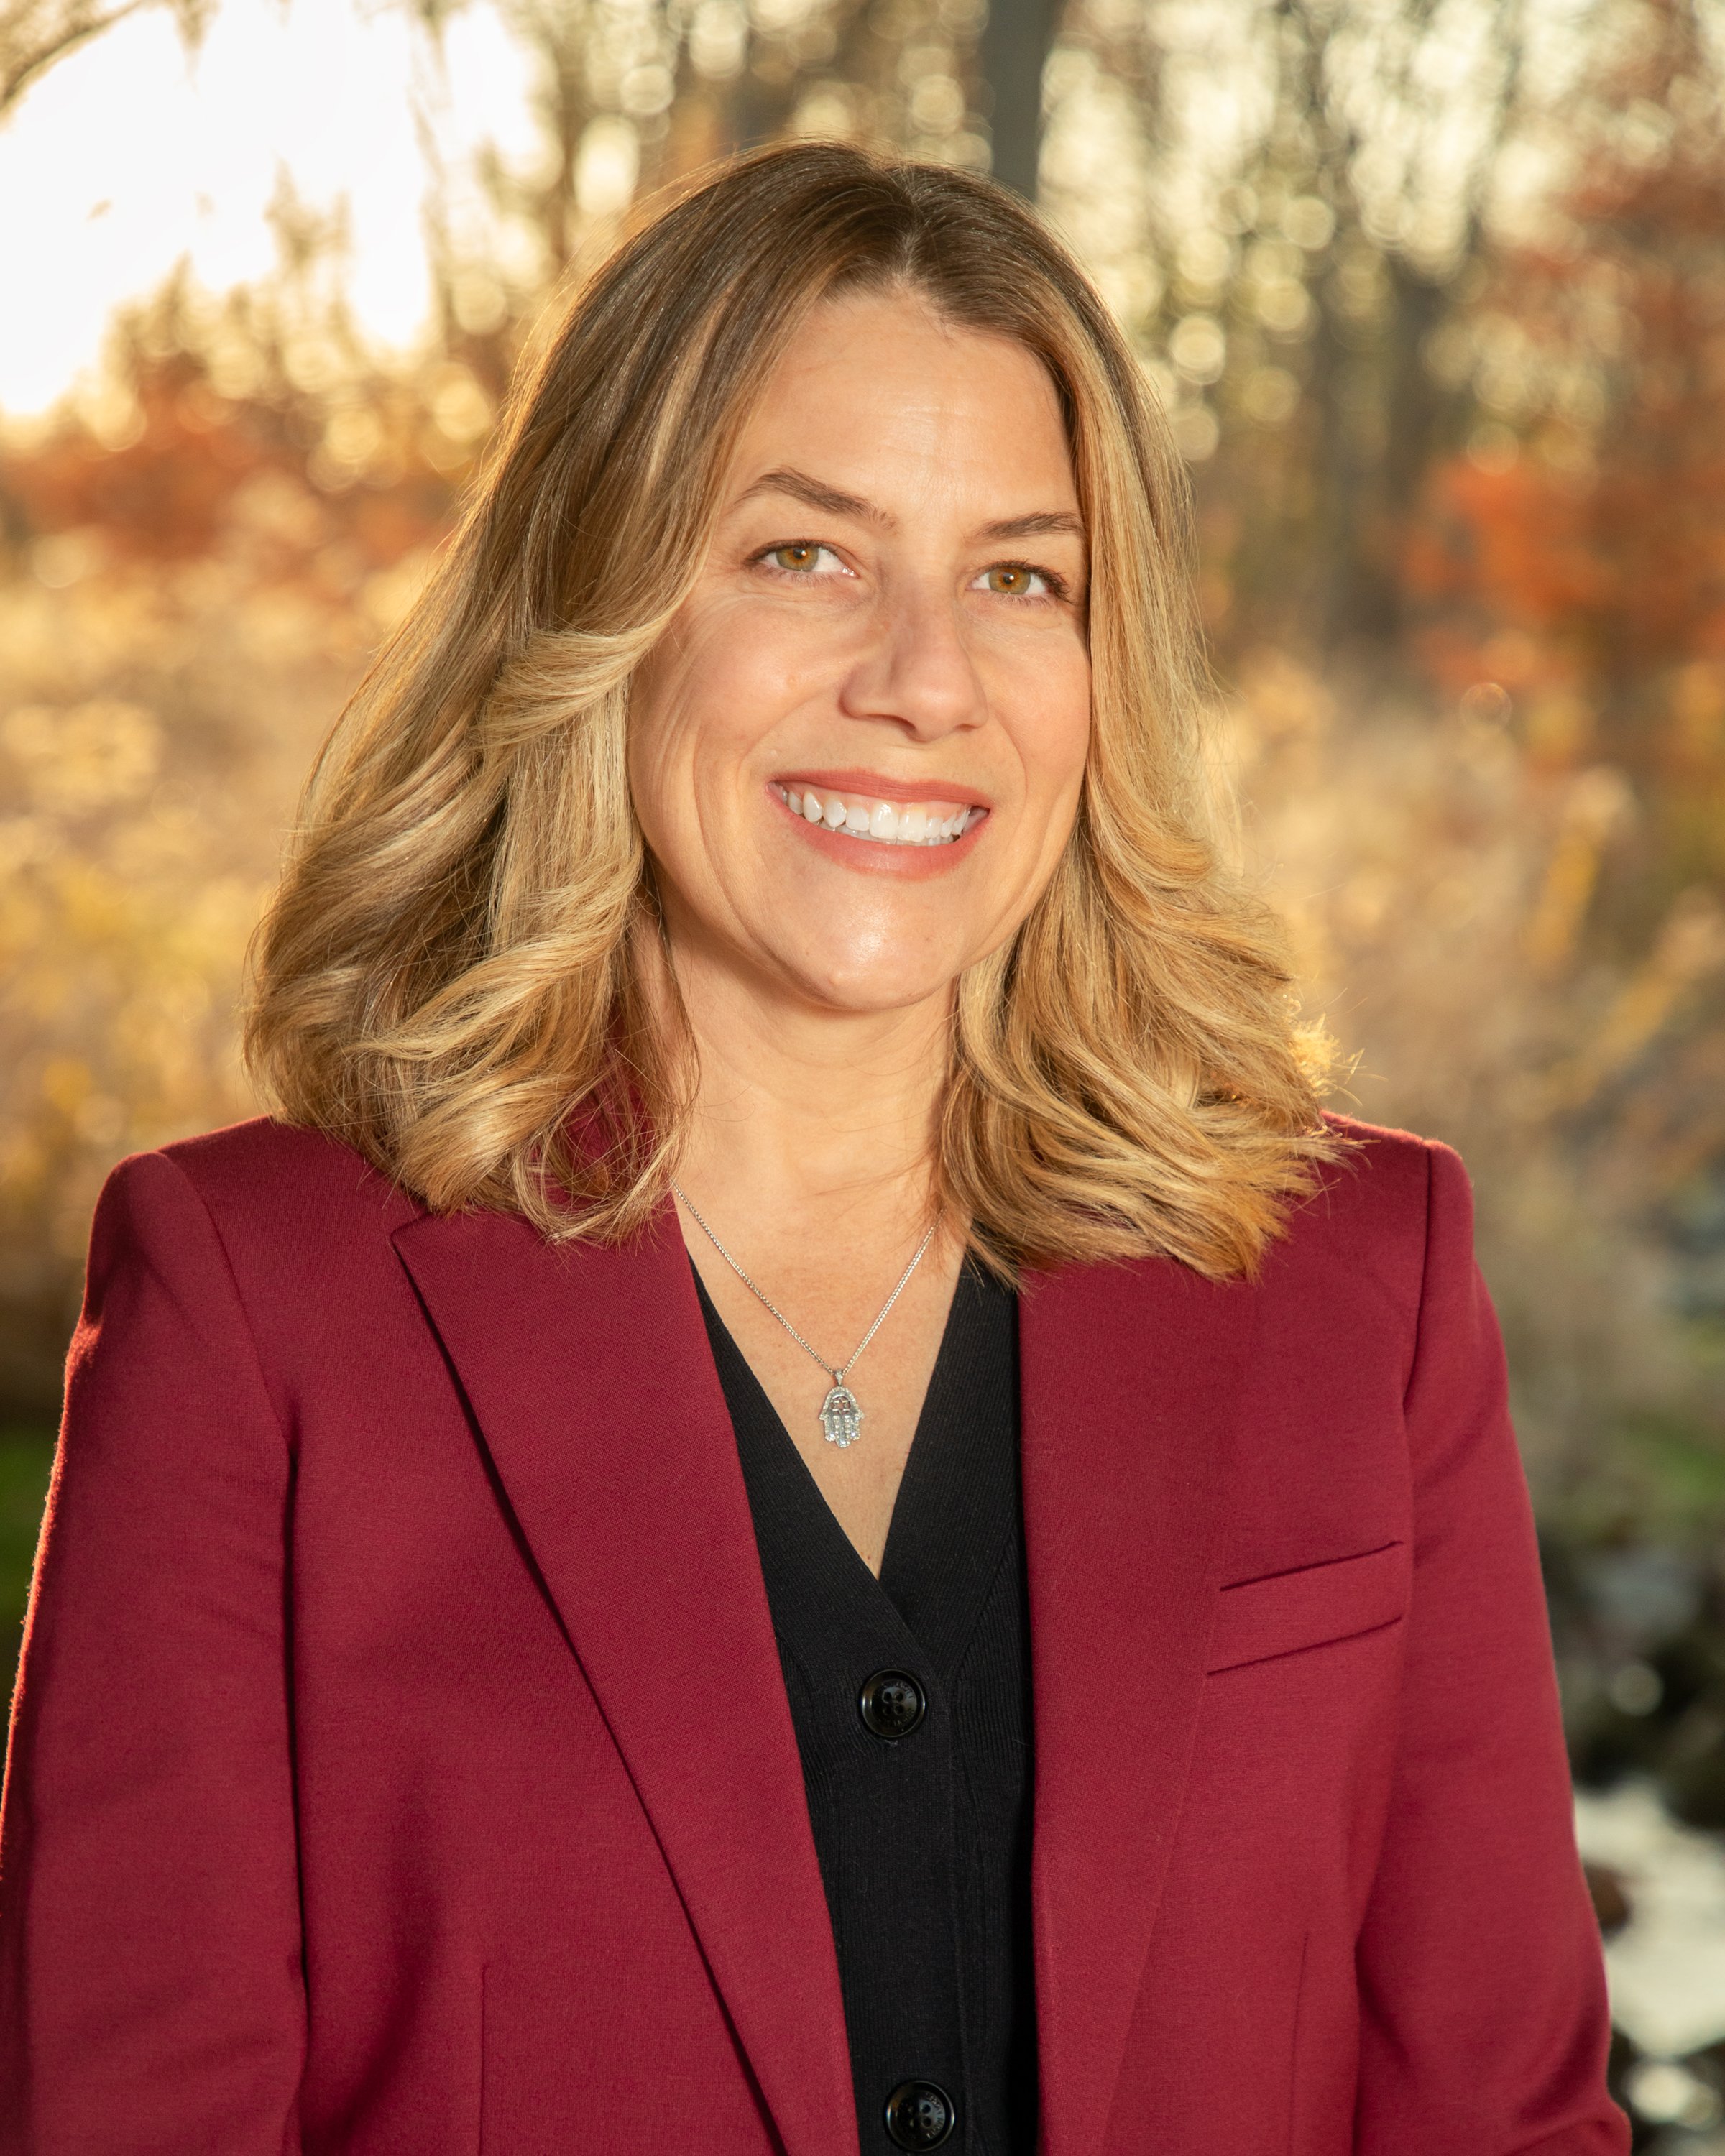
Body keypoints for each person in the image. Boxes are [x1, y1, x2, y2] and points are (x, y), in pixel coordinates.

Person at [0, 143, 1626, 2156]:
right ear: (601, 607)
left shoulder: (1359, 1274)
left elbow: (1500, 2116)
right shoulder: (257, 1309)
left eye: (1022, 577)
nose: (923, 681)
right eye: (805, 554)